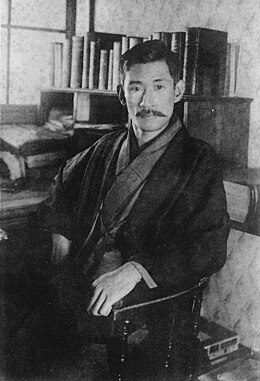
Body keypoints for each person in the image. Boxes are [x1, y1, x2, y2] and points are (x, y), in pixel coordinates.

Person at [2, 40, 229, 380]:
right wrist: (61, 236)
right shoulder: (106, 147)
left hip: (142, 309)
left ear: (178, 90)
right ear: (123, 95)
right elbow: (62, 186)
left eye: (159, 86)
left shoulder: (199, 161)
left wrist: (136, 270)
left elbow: (208, 246)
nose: (147, 101)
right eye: (136, 87)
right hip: (79, 288)